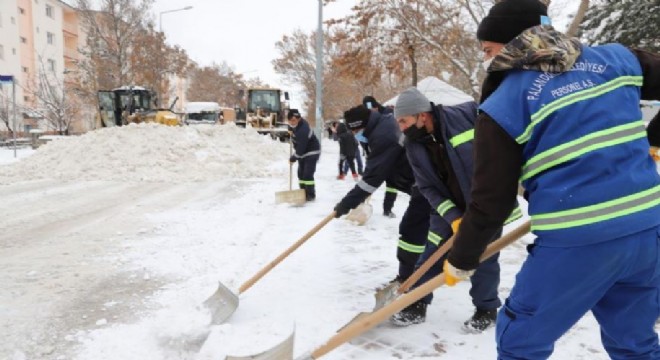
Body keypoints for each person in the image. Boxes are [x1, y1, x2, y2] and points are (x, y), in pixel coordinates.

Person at [441, 0, 660, 359]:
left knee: (520, 344)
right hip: (647, 231)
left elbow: (491, 200)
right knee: (634, 342)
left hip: (579, 240)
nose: (486, 59)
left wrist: (463, 256)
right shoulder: (616, 59)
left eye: (487, 49)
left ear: (513, 43)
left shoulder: (504, 102)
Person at [390, 87, 522, 330]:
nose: (401, 127)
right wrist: (453, 217)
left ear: (422, 115)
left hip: (486, 205)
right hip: (449, 209)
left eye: (404, 121)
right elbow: (428, 187)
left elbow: (505, 130)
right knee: (430, 255)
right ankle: (416, 303)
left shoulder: (467, 113)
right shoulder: (413, 145)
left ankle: (487, 309)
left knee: (484, 259)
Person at [334, 104, 432, 284]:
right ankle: (412, 277)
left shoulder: (383, 135)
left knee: (411, 233)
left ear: (363, 125)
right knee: (426, 231)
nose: (355, 134)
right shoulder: (380, 126)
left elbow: (372, 178)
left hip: (426, 184)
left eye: (356, 130)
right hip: (420, 183)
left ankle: (410, 282)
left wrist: (345, 204)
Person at [363, 95, 399, 218]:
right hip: (376, 154)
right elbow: (364, 140)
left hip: (393, 154)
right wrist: (369, 154)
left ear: (376, 107)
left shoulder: (389, 114)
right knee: (369, 179)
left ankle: (387, 209)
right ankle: (360, 204)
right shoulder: (367, 119)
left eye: (372, 110)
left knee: (392, 184)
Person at [288, 109, 321, 201]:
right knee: (300, 174)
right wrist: (291, 130)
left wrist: (294, 157)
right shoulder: (295, 126)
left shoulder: (303, 130)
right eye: (290, 120)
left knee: (307, 174)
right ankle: (302, 192)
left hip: (312, 151)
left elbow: (302, 146)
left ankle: (310, 194)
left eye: (294, 120)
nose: (291, 122)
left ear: (299, 119)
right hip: (303, 152)